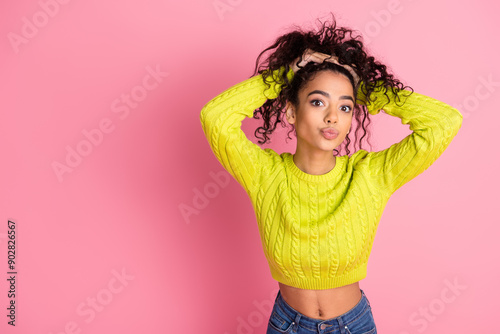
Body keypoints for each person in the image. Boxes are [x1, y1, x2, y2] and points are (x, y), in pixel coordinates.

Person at [199, 13, 462, 334]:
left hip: (354, 325)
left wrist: (364, 88)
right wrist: (285, 75)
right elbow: (216, 118)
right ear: (292, 111)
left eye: (346, 106)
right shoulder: (264, 174)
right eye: (318, 102)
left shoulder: (371, 174)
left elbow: (443, 122)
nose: (333, 117)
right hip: (287, 325)